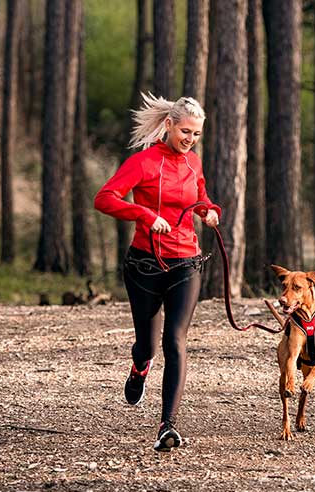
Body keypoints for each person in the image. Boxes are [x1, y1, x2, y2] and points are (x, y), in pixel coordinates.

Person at [93, 93, 221, 452]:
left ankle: (167, 426)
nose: (190, 140)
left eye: (196, 134)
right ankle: (139, 368)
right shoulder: (143, 163)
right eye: (185, 131)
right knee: (148, 346)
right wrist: (145, 215)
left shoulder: (193, 162)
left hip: (185, 264)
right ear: (168, 125)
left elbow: (199, 196)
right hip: (144, 265)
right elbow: (104, 199)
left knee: (174, 341)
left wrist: (209, 211)